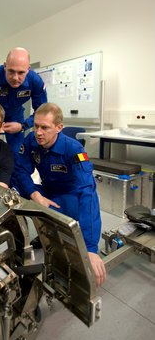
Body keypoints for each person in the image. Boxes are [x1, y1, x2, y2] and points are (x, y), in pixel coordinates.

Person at [11, 102, 107, 287]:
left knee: (76, 206)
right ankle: (19, 239)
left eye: (45, 127)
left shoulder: (74, 149)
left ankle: (64, 236)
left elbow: (87, 191)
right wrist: (35, 195)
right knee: (13, 185)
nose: (38, 132)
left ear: (59, 128)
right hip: (46, 190)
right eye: (36, 126)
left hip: (69, 193)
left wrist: (91, 249)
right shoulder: (31, 140)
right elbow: (21, 171)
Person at [0, 47, 47, 155]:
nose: (15, 77)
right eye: (11, 71)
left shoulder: (35, 81)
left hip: (16, 116)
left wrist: (23, 126)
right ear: (5, 66)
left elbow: (42, 111)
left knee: (16, 154)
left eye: (21, 73)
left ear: (28, 69)